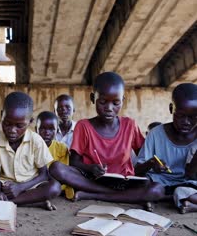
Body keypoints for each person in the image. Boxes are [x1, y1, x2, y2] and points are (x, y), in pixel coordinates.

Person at [49, 72, 162, 210]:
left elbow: (144, 156)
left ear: (123, 100)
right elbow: (74, 162)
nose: (109, 108)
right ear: (93, 98)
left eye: (116, 103)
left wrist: (152, 163)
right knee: (56, 168)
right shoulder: (84, 126)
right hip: (92, 180)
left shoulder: (130, 125)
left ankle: (95, 195)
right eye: (102, 102)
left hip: (124, 182)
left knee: (157, 189)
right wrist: (92, 168)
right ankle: (127, 197)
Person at [0, 92, 61, 210]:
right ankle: (33, 202)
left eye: (19, 126)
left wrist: (20, 187)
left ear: (30, 121)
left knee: (54, 187)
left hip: (31, 185)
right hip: (4, 187)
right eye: (7, 124)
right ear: (2, 115)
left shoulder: (36, 141)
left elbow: (44, 175)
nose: (12, 130)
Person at [135, 83, 197, 213]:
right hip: (159, 184)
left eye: (193, 117)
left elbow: (192, 175)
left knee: (182, 190)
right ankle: (179, 200)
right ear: (171, 109)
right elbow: (137, 171)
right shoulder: (156, 134)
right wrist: (151, 163)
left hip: (189, 186)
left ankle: (162, 199)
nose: (186, 122)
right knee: (148, 187)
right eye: (180, 115)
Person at [36, 111, 74, 199]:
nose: (47, 132)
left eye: (51, 129)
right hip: (36, 183)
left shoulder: (61, 148)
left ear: (57, 130)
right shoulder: (31, 147)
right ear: (36, 129)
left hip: (56, 183)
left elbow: (63, 174)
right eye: (42, 128)